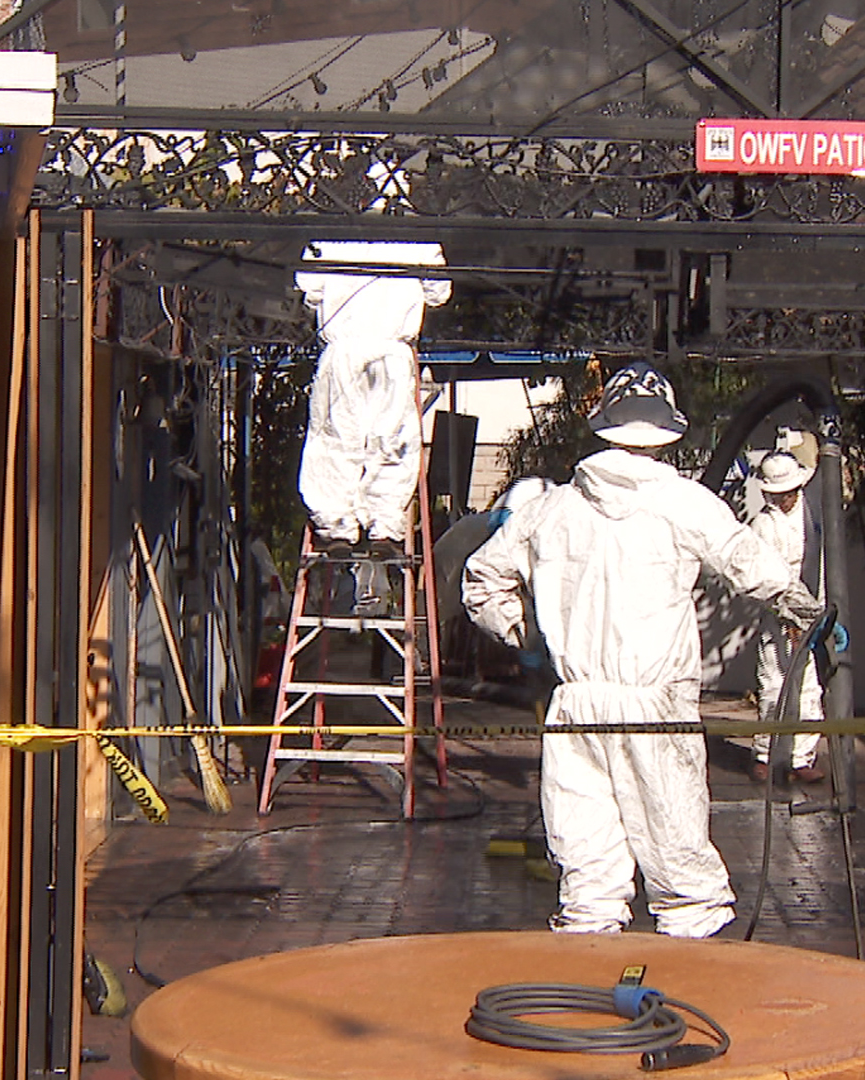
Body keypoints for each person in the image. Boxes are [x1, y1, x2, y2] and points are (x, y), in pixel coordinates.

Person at [461, 362, 822, 938]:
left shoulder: (549, 509)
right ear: (666, 432)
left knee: (588, 869)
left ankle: (586, 984)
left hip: (576, 710)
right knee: (680, 862)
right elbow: (746, 561)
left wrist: (520, 632)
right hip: (655, 710)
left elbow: (481, 578)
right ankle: (689, 985)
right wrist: (802, 608)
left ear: (603, 426)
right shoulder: (684, 503)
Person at [294, 239, 450, 561]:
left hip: (345, 350)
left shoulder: (329, 240)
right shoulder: (420, 242)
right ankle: (384, 526)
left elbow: (309, 289)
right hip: (392, 350)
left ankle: (336, 525)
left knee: (335, 438)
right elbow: (439, 293)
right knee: (392, 439)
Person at [748, 451, 826, 783]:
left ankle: (801, 757)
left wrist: (818, 615)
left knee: (809, 688)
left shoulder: (812, 515)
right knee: (773, 684)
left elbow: (820, 567)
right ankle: (767, 753)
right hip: (777, 615)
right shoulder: (762, 525)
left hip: (813, 610)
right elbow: (763, 577)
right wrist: (787, 616)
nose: (784, 499)